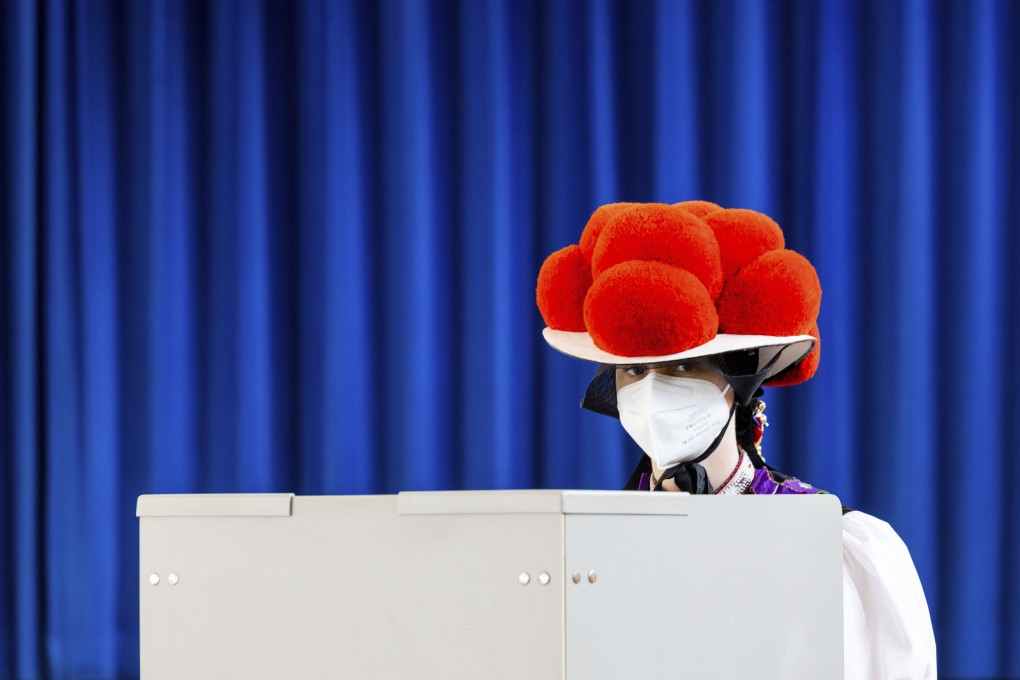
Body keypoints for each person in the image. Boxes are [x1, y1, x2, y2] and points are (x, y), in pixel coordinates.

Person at [536, 201, 937, 680]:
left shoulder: (832, 547)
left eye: (684, 367)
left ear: (738, 383)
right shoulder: (586, 547)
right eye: (635, 370)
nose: (652, 390)